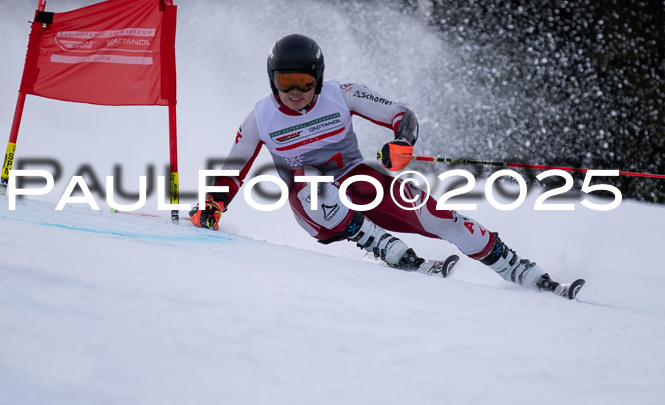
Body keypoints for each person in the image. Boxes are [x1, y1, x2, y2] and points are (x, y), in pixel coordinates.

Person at [190, 33, 575, 296]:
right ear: (272, 80)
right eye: (285, 81)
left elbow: (400, 114)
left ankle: (517, 268)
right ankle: (375, 241)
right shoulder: (260, 118)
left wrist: (402, 142)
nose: (294, 92)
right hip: (311, 205)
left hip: (358, 181)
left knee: (438, 215)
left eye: (304, 81)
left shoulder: (342, 94)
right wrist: (213, 205)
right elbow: (233, 167)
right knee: (314, 183)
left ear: (318, 79)